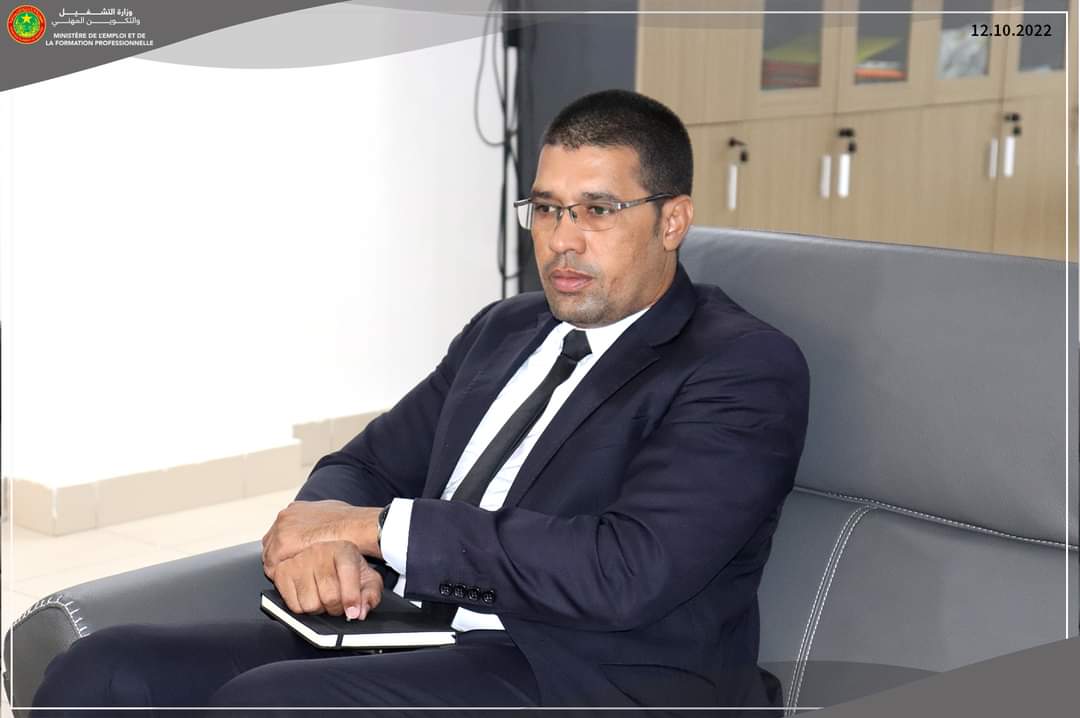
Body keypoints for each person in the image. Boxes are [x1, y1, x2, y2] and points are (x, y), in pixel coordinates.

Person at [33, 89, 809, 714]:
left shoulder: (740, 367)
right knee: (104, 671)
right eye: (546, 208)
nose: (561, 241)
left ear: (672, 220)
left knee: (267, 705)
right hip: (414, 632)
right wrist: (326, 541)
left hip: (591, 675)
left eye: (597, 211)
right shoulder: (506, 330)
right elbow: (366, 463)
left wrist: (376, 529)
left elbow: (625, 569)